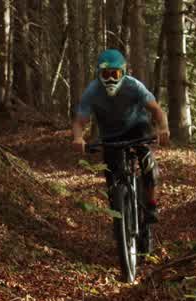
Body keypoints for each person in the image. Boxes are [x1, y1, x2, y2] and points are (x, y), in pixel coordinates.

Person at [71, 49, 171, 226]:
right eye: (105, 74)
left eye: (115, 74)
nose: (110, 79)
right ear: (98, 74)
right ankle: (118, 215)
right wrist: (78, 138)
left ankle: (152, 204)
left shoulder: (133, 86)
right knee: (111, 176)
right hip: (110, 134)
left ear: (123, 73)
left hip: (136, 127)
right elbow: (80, 121)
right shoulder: (92, 91)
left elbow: (156, 109)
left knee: (147, 161)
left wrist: (163, 128)